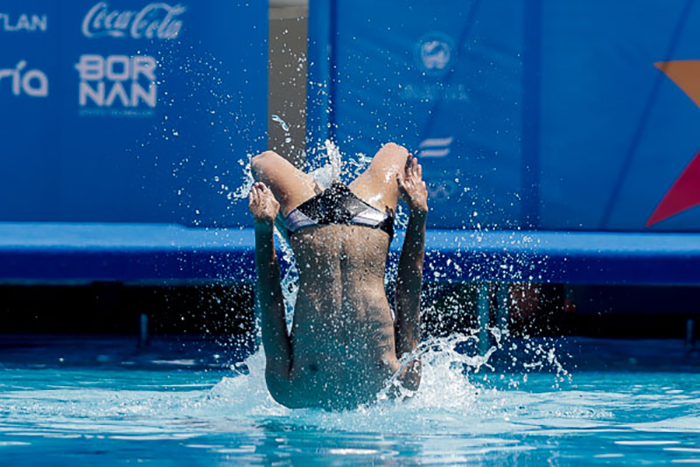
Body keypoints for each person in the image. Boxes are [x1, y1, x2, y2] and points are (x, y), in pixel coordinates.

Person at [248, 143, 427, 410]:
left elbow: (270, 302)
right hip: (364, 218)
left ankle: (293, 228)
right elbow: (408, 293)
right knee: (396, 152)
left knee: (261, 162)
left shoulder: (289, 392)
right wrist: (418, 213)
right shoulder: (398, 386)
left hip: (319, 222)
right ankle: (292, 229)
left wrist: (264, 226)